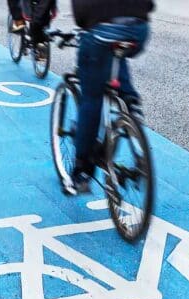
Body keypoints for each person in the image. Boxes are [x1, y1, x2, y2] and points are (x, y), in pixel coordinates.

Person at [64, 0, 155, 195]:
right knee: (114, 53)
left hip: (102, 30)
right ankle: (130, 101)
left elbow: (81, 14)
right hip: (139, 28)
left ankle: (81, 172)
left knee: (91, 97)